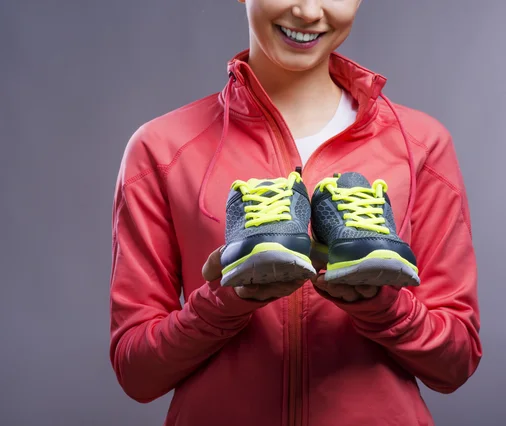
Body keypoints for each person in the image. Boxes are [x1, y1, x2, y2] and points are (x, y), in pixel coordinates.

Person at [109, 1, 483, 425]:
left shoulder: (421, 145)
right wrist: (224, 302)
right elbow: (136, 373)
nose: (307, 11)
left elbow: (455, 363)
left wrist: (381, 306)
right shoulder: (161, 149)